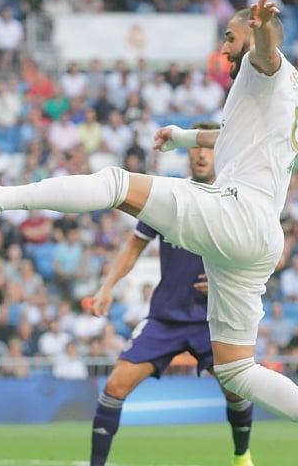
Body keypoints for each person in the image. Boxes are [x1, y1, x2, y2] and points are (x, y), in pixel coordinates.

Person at [0, 0, 298, 465]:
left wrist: (262, 31)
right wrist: (185, 137)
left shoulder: (263, 64)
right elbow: (228, 134)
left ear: (250, 33)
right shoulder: (286, 92)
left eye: (230, 37)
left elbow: (265, 54)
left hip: (237, 212)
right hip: (259, 235)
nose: (224, 49)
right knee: (237, 369)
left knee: (116, 182)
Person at [87, 122, 255, 466]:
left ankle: (241, 456)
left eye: (208, 149)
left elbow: (263, 256)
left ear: (220, 153)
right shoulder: (171, 197)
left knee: (236, 391)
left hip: (214, 318)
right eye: (196, 150)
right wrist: (107, 287)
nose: (201, 155)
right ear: (188, 155)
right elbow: (134, 246)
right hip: (165, 318)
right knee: (115, 387)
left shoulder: (235, 201)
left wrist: (229, 282)